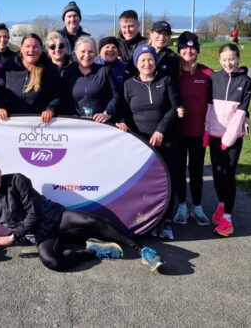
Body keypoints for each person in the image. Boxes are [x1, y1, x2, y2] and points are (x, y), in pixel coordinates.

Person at [0, 159, 163, 272]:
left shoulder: (17, 179)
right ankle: (93, 251)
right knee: (52, 262)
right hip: (41, 236)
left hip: (55, 217)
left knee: (91, 221)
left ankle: (141, 249)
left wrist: (13, 237)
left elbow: (33, 214)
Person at [116, 45, 181, 240]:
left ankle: (166, 220)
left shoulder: (166, 80)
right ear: (136, 63)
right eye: (142, 60)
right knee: (145, 183)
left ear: (155, 61)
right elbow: (124, 111)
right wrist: (121, 122)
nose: (147, 63)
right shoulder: (129, 84)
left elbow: (174, 107)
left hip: (166, 139)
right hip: (140, 142)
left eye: (150, 59)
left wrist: (160, 130)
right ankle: (149, 220)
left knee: (168, 180)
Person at [204, 43, 251, 237]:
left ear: (238, 59)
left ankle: (228, 220)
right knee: (217, 173)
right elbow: (209, 107)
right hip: (215, 134)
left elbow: (241, 112)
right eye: (224, 60)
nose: (228, 63)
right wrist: (206, 131)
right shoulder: (214, 78)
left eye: (232, 59)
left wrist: (229, 138)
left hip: (233, 137)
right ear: (219, 60)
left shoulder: (246, 81)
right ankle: (222, 205)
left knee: (229, 174)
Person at [173, 31, 213, 226]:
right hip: (178, 132)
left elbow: (220, 101)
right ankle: (181, 206)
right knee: (179, 169)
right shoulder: (174, 74)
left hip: (199, 132)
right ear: (179, 51)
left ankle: (197, 206)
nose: (189, 51)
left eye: (192, 48)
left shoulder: (207, 74)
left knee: (196, 170)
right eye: (185, 48)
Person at [0, 33, 61, 125]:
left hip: (39, 124)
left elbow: (57, 95)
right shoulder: (10, 66)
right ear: (21, 48)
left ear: (41, 49)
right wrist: (0, 107)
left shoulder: (50, 69)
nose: (31, 50)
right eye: (27, 46)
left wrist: (50, 109)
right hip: (11, 122)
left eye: (35, 47)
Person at [61, 36, 118, 121]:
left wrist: (106, 113)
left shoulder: (104, 71)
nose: (87, 55)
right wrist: (72, 115)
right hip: (75, 123)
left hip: (101, 124)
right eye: (83, 52)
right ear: (75, 53)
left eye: (91, 52)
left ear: (95, 54)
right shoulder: (68, 74)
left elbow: (116, 95)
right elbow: (63, 99)